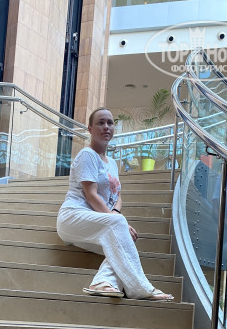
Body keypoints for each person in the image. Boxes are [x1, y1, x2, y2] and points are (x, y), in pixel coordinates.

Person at [56, 107, 174, 301]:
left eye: (110, 123)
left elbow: (117, 195)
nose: (106, 127)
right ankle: (142, 289)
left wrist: (116, 212)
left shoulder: (111, 162)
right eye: (100, 123)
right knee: (120, 227)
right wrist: (117, 219)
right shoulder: (87, 155)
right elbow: (91, 195)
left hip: (97, 222)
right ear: (90, 128)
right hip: (74, 217)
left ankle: (103, 282)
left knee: (124, 242)